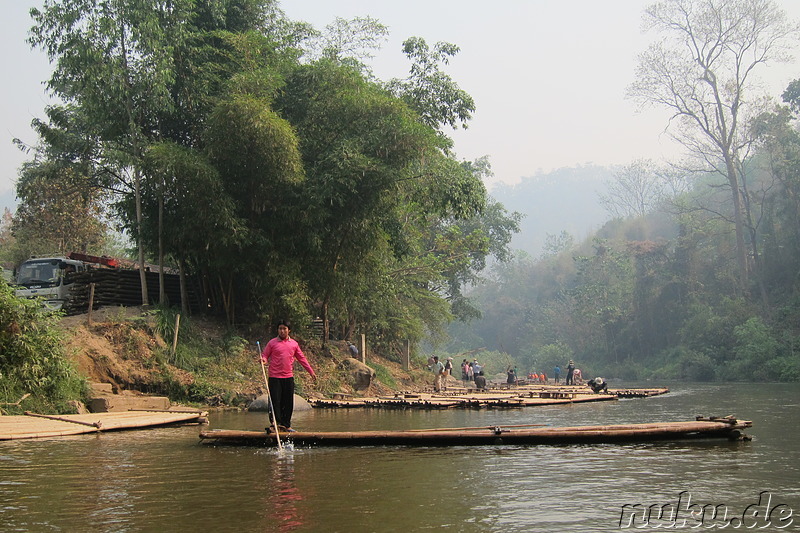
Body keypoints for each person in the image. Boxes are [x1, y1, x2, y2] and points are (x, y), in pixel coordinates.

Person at [261, 320, 316, 432]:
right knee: (275, 401)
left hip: (288, 377)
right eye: (280, 328)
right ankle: (275, 424)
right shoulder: (272, 343)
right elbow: (265, 355)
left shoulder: (294, 344)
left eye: (284, 329)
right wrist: (263, 360)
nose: (282, 331)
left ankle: (286, 425)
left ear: (289, 330)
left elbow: (302, 359)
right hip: (275, 377)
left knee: (288, 402)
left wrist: (311, 371)